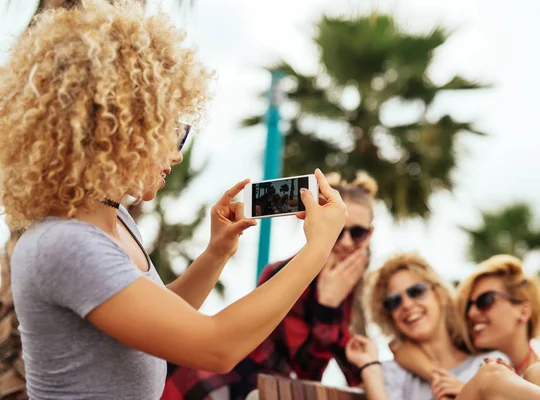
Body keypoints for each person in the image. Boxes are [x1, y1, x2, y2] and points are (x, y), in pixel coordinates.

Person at [0, 2, 347, 399]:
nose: (178, 154)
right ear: (113, 130)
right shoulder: (64, 244)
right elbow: (215, 348)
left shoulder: (110, 221)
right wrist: (318, 248)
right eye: (170, 132)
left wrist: (216, 253)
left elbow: (156, 317)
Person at [163, 172, 378, 399]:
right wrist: (326, 308)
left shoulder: (363, 294)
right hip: (224, 384)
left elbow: (358, 372)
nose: (346, 242)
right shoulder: (281, 273)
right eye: (339, 230)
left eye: (357, 233)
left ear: (369, 234)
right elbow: (305, 370)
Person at [392, 255, 540, 399]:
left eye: (485, 301)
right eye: (470, 305)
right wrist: (439, 376)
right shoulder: (470, 355)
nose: (471, 314)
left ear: (523, 312)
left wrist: (469, 389)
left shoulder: (539, 373)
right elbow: (398, 347)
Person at [344, 253, 505, 400]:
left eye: (416, 291)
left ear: (439, 294)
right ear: (389, 315)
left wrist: (466, 394)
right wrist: (369, 367)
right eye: (394, 302)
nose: (406, 304)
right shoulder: (392, 374)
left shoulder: (490, 364)